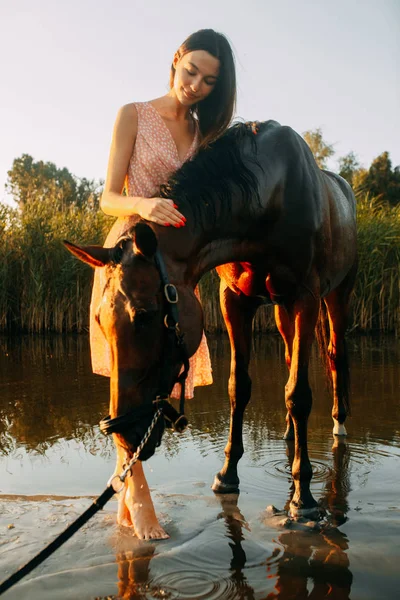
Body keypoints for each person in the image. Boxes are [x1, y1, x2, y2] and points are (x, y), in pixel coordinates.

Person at [91, 28, 237, 539]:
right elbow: (108, 195)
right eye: (191, 70)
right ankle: (139, 491)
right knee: (127, 377)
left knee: (157, 381)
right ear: (176, 60)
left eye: (208, 80)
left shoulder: (206, 133)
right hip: (131, 255)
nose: (195, 84)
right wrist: (143, 204)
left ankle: (124, 477)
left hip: (176, 268)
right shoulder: (133, 113)